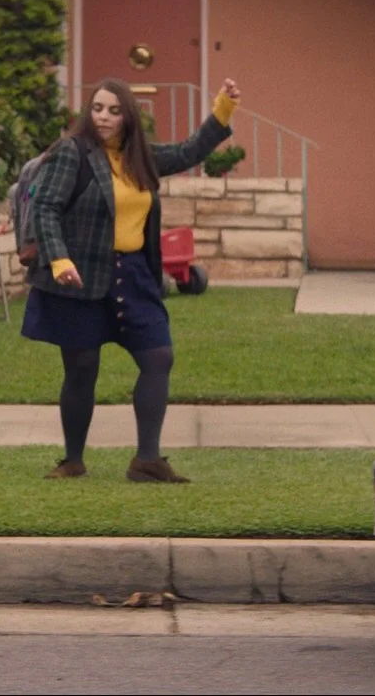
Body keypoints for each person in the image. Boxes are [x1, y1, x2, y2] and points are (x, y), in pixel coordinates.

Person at [22, 77, 242, 483]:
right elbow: (46, 208)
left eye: (113, 110)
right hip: (80, 275)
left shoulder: (139, 156)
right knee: (82, 367)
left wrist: (223, 109)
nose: (103, 117)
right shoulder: (71, 152)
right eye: (97, 108)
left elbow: (189, 151)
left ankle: (147, 460)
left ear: (128, 116)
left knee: (158, 357)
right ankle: (73, 460)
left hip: (134, 275)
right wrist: (58, 259)